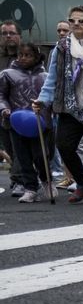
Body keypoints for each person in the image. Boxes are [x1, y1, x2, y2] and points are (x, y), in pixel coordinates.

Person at [33, 5, 83, 205]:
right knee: (64, 145)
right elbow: (52, 78)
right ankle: (82, 183)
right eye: (72, 20)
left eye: (81, 21)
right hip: (69, 106)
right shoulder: (60, 48)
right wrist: (42, 100)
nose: (76, 24)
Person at [0, 43, 51, 202]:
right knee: (22, 157)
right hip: (16, 122)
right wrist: (4, 109)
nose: (23, 58)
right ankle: (30, 188)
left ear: (36, 57)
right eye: (20, 55)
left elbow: (51, 96)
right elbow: (1, 95)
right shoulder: (7, 74)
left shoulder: (46, 76)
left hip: (39, 122)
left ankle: (46, 181)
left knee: (40, 155)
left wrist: (47, 110)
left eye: (28, 55)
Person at [0, 20, 21, 184]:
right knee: (7, 145)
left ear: (19, 36)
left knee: (19, 145)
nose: (8, 36)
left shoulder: (26, 55)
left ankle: (20, 179)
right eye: (4, 33)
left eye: (12, 33)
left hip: (20, 108)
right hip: (2, 109)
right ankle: (18, 176)